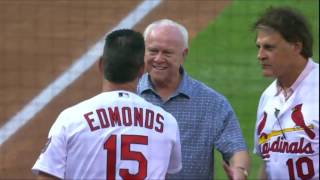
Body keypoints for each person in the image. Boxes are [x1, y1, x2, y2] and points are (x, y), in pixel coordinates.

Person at [32, 29, 182, 179]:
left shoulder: (70, 119)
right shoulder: (167, 123)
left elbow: (47, 175)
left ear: (101, 65)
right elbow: (170, 170)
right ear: (141, 70)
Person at [137, 19, 250, 180]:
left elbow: (236, 148)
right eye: (153, 51)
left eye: (167, 53)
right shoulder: (129, 95)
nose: (159, 59)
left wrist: (239, 171)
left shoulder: (212, 103)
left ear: (184, 55)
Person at [253, 7, 319, 180]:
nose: (260, 55)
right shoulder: (268, 97)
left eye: (269, 47)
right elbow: (267, 165)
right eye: (258, 47)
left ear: (296, 46)